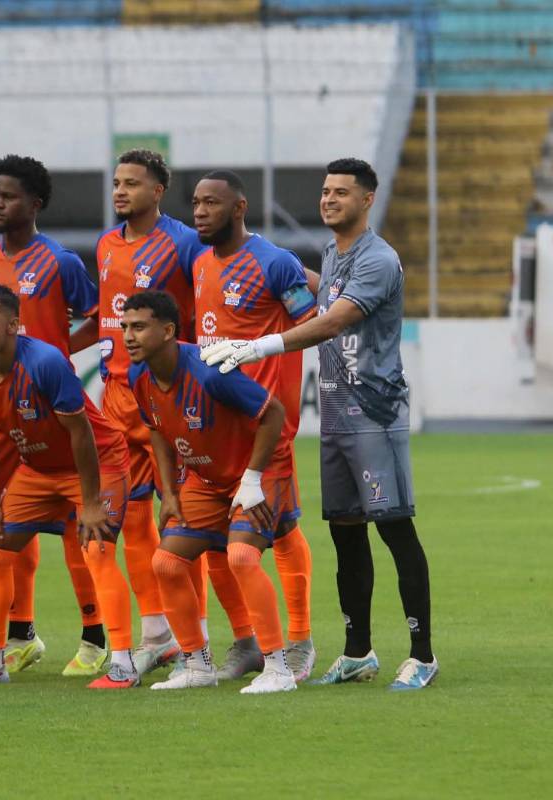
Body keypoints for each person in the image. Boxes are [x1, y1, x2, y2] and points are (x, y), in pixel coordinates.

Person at [201, 157, 437, 691]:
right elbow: (323, 292)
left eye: (341, 192)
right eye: (326, 191)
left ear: (367, 200)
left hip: (375, 415)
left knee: (395, 530)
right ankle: (358, 652)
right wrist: (272, 261)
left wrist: (259, 346)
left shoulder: (379, 259)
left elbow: (333, 320)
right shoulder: (333, 254)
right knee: (346, 536)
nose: (329, 199)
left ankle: (422, 654)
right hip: (334, 413)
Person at [0, 285, 138, 689]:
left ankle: (122, 663)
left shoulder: (45, 362)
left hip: (98, 461)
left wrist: (89, 503)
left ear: (13, 325)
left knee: (96, 547)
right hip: (38, 469)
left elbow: (82, 434)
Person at [0, 154, 108, 675]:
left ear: (35, 203)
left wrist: (56, 352)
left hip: (52, 408)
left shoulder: (59, 261)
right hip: (4, 410)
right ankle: (19, 634)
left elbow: (99, 316)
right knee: (7, 521)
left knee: (77, 529)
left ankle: (95, 638)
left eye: (8, 197)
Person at [124, 290, 296, 694]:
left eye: (139, 327)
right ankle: (197, 665)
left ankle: (278, 668)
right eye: (126, 327)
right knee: (166, 563)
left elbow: (273, 413)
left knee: (241, 556)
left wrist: (252, 479)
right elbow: (156, 429)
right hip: (205, 479)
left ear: (168, 331)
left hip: (258, 471)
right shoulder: (138, 376)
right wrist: (169, 491)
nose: (128, 336)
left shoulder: (209, 371)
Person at [189, 170, 319, 682]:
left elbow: (313, 324)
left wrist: (265, 353)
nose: (200, 212)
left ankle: (300, 641)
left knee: (280, 531)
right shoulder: (200, 264)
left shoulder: (274, 263)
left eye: (212, 203)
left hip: (266, 426)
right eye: (196, 203)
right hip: (214, 431)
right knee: (212, 540)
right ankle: (246, 642)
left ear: (239, 207)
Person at [85, 148, 207, 677]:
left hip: (169, 394)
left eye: (132, 183)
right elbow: (103, 314)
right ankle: (156, 634)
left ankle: (196, 637)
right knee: (133, 517)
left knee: (183, 519)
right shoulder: (105, 244)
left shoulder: (183, 242)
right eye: (117, 182)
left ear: (157, 191)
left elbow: (204, 303)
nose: (120, 191)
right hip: (116, 395)